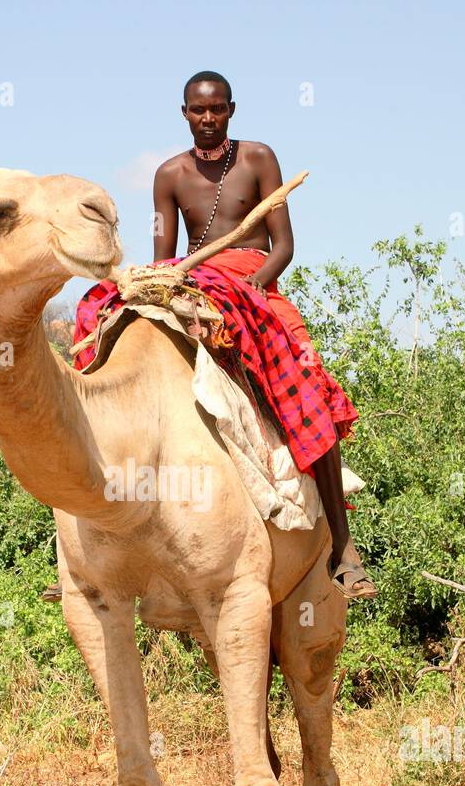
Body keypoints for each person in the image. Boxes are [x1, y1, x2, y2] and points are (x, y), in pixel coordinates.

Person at [149, 70, 375, 599]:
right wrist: (162, 292)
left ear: (231, 110)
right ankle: (93, 551)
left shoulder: (258, 159)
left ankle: (342, 545)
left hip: (257, 284)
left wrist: (252, 288)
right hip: (199, 285)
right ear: (183, 114)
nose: (207, 119)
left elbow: (284, 246)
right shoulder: (168, 174)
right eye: (197, 111)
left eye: (217, 110)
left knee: (306, 389)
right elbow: (164, 256)